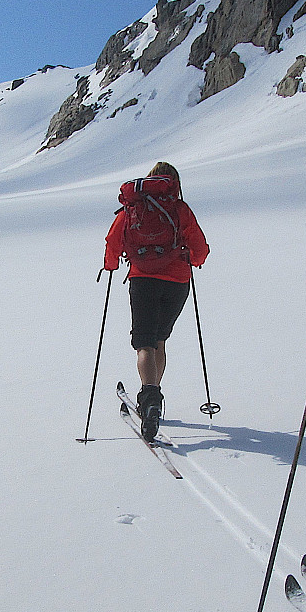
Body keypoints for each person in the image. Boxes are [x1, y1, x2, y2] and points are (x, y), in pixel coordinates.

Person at [103, 162, 210, 442]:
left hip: (142, 280)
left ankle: (149, 396)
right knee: (160, 340)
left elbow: (113, 241)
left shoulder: (132, 208)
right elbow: (200, 248)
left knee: (144, 343)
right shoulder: (179, 209)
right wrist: (192, 260)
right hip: (177, 282)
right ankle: (153, 396)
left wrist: (110, 264)